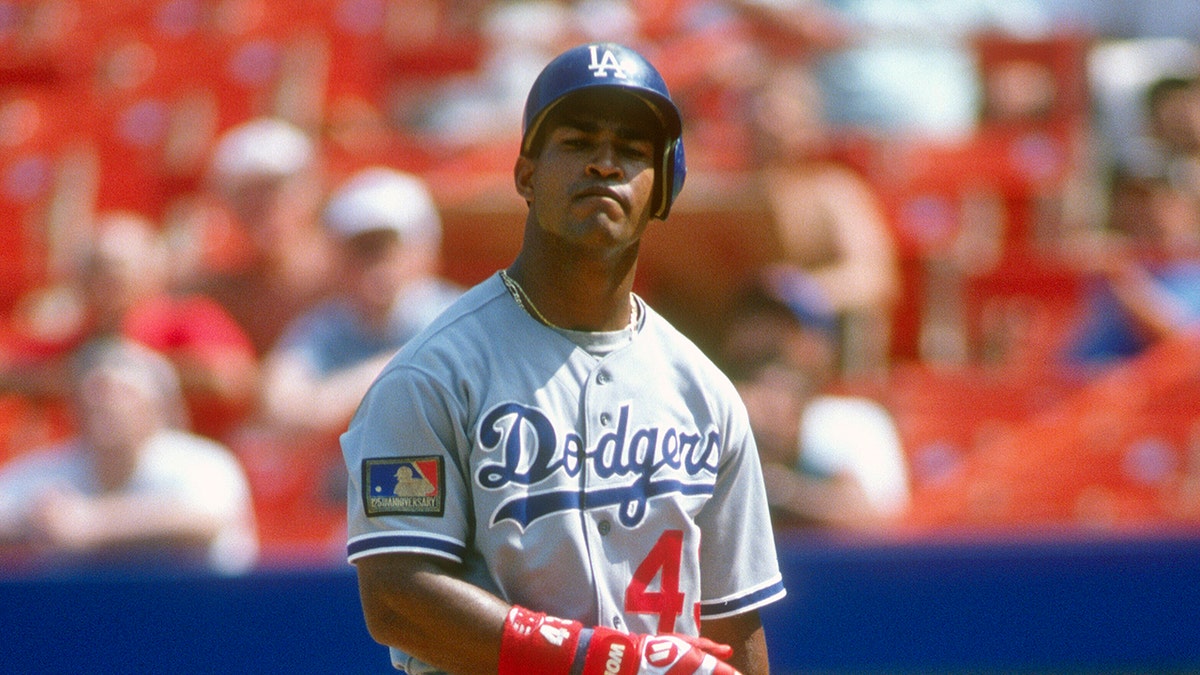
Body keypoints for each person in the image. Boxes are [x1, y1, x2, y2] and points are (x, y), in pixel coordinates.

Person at [341, 42, 785, 675]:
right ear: (526, 174)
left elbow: (734, 627)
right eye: (577, 143)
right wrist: (609, 661)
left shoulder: (705, 395)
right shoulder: (430, 377)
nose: (604, 165)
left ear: (663, 189)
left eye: (632, 152)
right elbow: (397, 600)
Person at [0, 338, 258, 575]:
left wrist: (92, 524)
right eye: (91, 392)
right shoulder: (43, 471)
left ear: (158, 407)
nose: (102, 403)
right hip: (74, 618)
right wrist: (33, 522)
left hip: (196, 616)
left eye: (120, 392)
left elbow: (206, 519)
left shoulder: (203, 464)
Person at [0, 211, 259, 442]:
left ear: (151, 272)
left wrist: (128, 373)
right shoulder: (80, 338)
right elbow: (15, 371)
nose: (102, 282)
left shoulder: (186, 319)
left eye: (113, 269)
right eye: (92, 270)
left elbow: (231, 378)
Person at [258, 166, 462, 439]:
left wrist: (333, 399)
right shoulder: (326, 325)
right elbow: (280, 409)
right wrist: (392, 370)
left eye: (387, 248)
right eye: (360, 250)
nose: (374, 266)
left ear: (424, 250)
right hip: (352, 478)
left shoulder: (463, 316)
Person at [744, 60, 900, 377]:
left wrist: (800, 291)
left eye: (777, 113)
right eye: (759, 111)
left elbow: (875, 276)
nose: (765, 121)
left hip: (811, 354)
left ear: (808, 124)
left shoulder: (834, 191)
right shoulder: (731, 194)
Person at [716, 277, 910, 531]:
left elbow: (881, 523)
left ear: (821, 344)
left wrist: (780, 490)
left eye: (782, 325)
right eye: (751, 318)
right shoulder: (710, 407)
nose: (762, 334)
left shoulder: (849, 420)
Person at [183, 116, 337, 356]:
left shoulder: (346, 273)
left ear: (313, 190)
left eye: (277, 189)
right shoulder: (214, 289)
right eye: (247, 195)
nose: (265, 207)